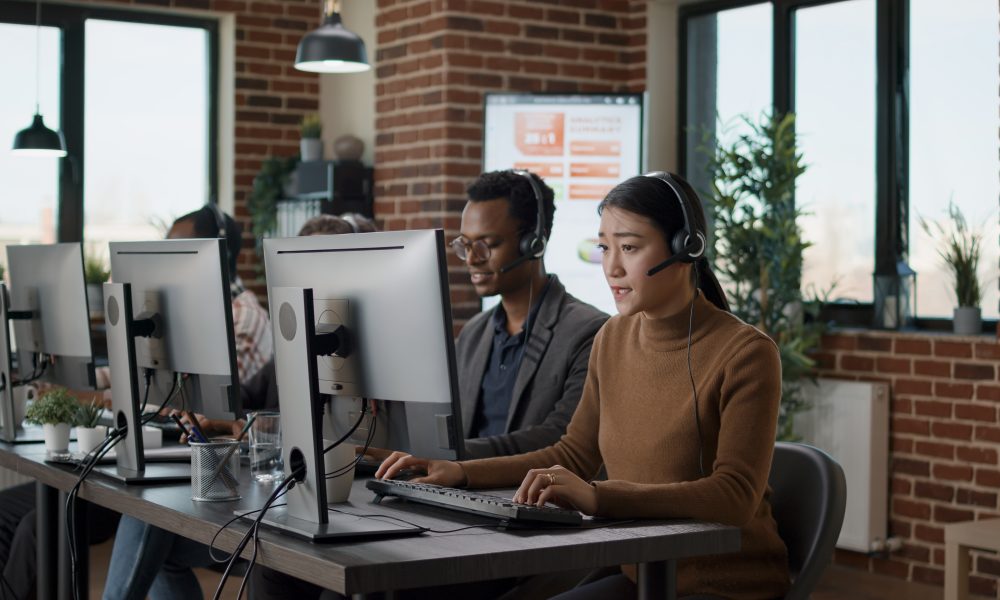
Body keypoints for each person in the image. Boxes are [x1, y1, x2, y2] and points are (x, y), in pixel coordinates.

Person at [377, 173, 791, 600]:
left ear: (686, 247)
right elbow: (571, 454)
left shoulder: (746, 353)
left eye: (629, 248)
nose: (611, 267)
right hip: (643, 572)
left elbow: (736, 495)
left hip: (726, 584)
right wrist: (462, 472)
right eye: (604, 248)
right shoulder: (613, 337)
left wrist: (597, 497)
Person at [250, 171, 608, 599]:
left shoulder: (588, 332)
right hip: (452, 504)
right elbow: (438, 423)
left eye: (487, 244)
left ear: (535, 241)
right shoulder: (473, 333)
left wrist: (453, 463)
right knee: (276, 564)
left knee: (362, 585)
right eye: (464, 244)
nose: (471, 258)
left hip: (520, 517)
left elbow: (558, 440)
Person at [0, 205, 273, 600]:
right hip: (148, 460)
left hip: (203, 472)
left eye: (179, 249)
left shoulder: (243, 316)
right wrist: (74, 381)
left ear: (218, 254)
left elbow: (211, 403)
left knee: (62, 525)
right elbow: (132, 378)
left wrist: (100, 396)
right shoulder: (176, 311)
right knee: (21, 521)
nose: (167, 260)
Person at [101, 213, 376, 600]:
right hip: (272, 501)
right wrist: (221, 417)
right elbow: (244, 398)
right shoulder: (290, 350)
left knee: (154, 526)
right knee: (152, 521)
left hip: (330, 511)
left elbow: (378, 444)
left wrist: (258, 430)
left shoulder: (375, 357)